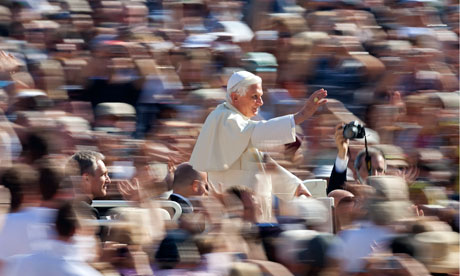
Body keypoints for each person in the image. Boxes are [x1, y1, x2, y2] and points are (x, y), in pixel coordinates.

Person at [189, 71, 327, 220]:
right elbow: (257, 134)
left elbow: (259, 161)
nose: (260, 102)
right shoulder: (224, 118)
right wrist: (301, 115)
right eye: (254, 97)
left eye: (260, 96)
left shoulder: (239, 122)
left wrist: (294, 186)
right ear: (235, 97)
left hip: (256, 215)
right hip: (236, 218)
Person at [1, 202, 103, 276]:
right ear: (77, 231)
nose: (92, 239)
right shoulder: (84, 272)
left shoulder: (20, 262)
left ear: (55, 226)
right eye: (90, 232)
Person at [327, 124, 386, 194]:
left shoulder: (392, 195)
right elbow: (336, 194)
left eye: (379, 170)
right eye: (369, 169)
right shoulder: (353, 200)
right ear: (356, 173)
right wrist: (342, 153)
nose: (375, 175)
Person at [66, 150, 111, 219]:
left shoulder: (63, 206)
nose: (108, 181)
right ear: (86, 178)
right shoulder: (85, 213)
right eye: (103, 175)